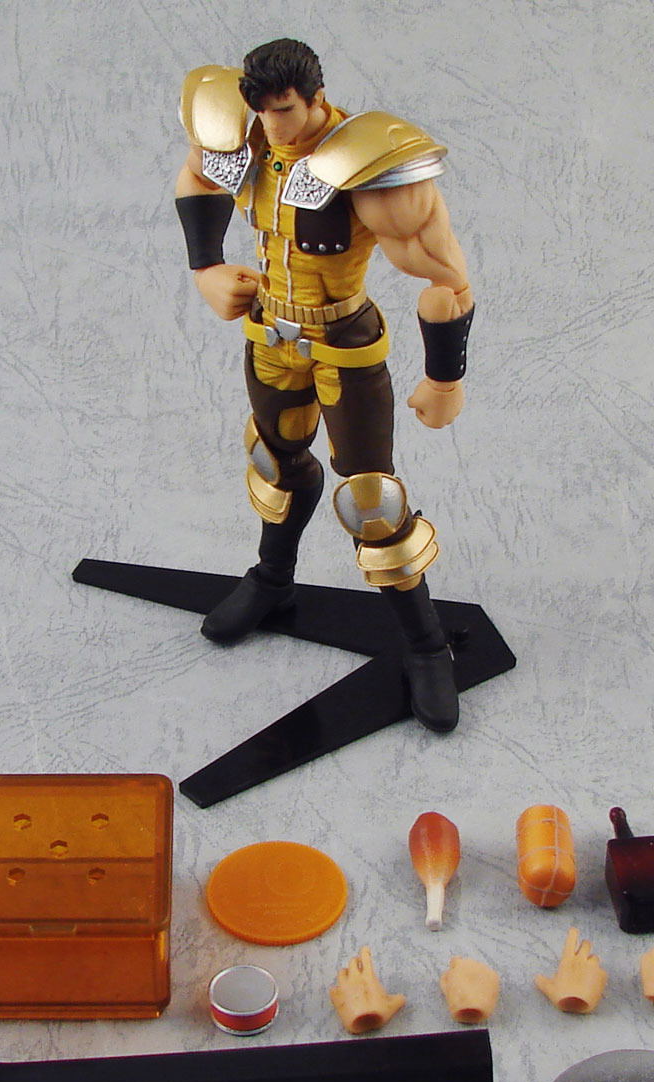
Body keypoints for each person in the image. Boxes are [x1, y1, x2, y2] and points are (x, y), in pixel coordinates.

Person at [175, 39, 474, 732]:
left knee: (371, 499)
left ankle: (427, 646)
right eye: (260, 111)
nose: (271, 126)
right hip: (269, 333)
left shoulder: (366, 164)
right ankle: (272, 582)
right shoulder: (246, 136)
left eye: (283, 110)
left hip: (343, 342)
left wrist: (444, 377)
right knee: (274, 461)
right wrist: (206, 266)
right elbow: (196, 174)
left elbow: (447, 279)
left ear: (315, 98)